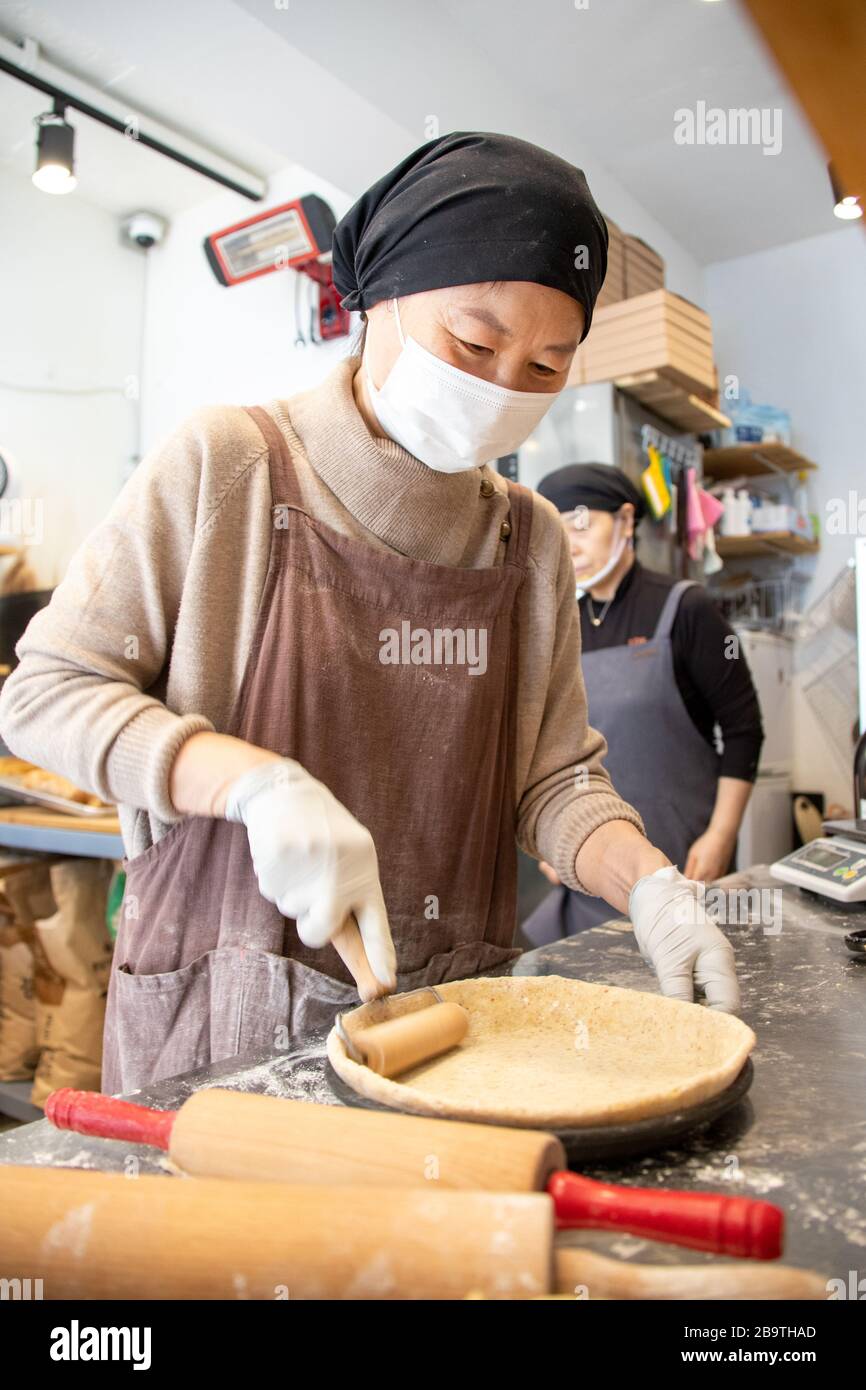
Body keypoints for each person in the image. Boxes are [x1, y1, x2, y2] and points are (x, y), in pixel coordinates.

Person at [0, 133, 741, 1094]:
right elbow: (48, 692)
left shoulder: (531, 540)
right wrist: (250, 785)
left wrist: (648, 883)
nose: (501, 390)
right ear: (380, 297)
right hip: (219, 1028)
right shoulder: (231, 466)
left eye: (547, 367)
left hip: (448, 1028)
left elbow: (550, 783)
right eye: (474, 344)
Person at [524, 462, 763, 940]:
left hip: (686, 863)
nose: (570, 544)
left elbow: (743, 730)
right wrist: (553, 843)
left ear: (627, 521)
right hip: (591, 873)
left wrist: (721, 835)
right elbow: (543, 747)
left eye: (582, 525)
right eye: (557, 531)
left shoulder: (685, 608)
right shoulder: (558, 624)